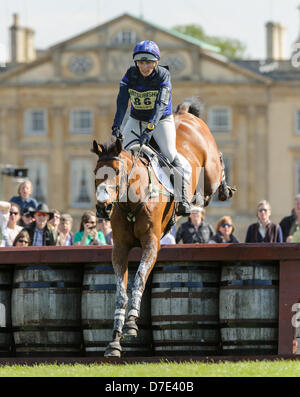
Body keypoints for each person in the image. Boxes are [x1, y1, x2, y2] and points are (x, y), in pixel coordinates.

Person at [111, 40, 191, 216]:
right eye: (140, 62)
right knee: (120, 155)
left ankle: (183, 197)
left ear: (156, 63)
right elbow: (122, 102)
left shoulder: (163, 75)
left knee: (169, 153)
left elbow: (160, 105)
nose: (144, 66)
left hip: (161, 119)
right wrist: (116, 125)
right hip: (136, 118)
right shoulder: (130, 75)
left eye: (148, 62)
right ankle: (112, 198)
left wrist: (149, 128)